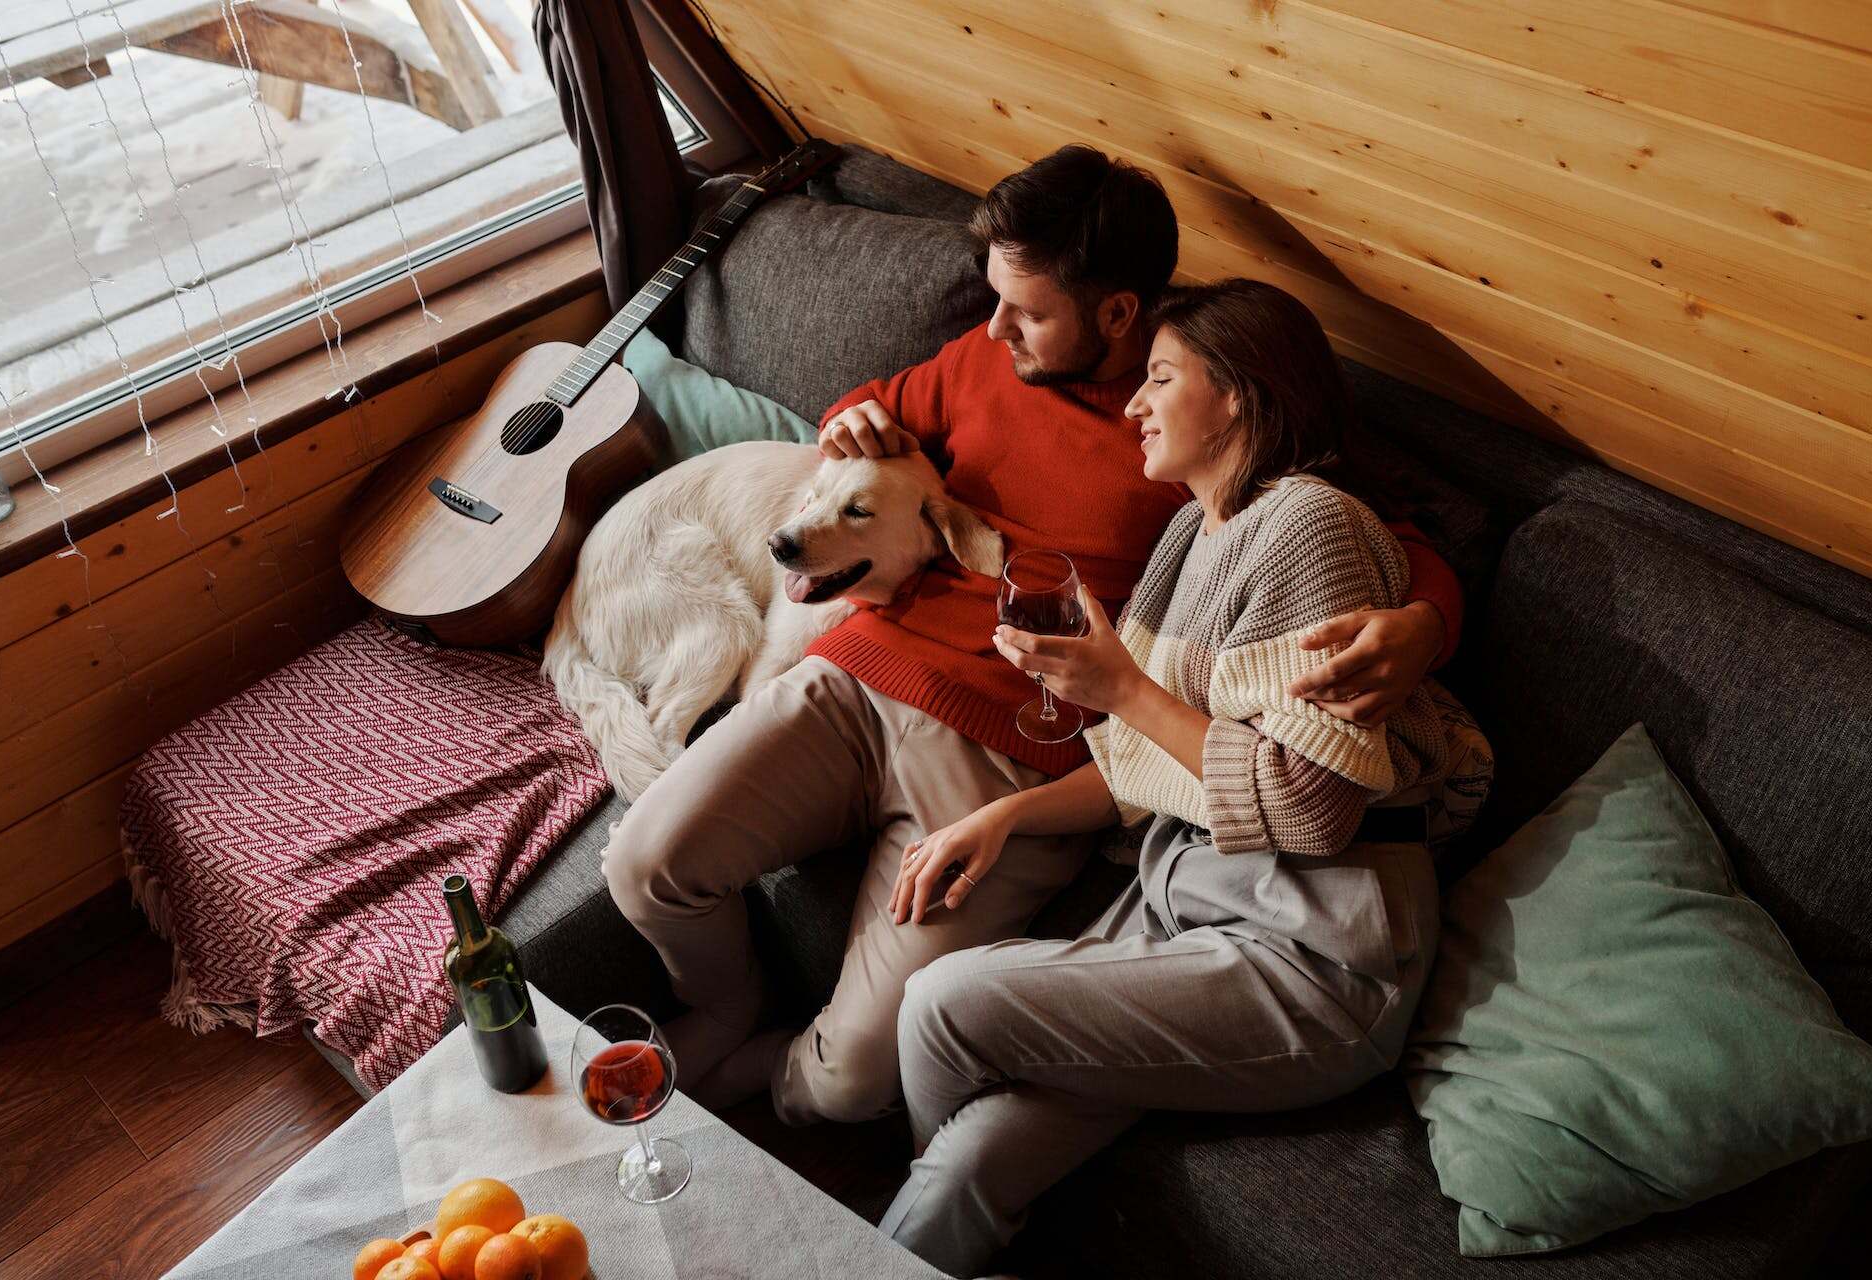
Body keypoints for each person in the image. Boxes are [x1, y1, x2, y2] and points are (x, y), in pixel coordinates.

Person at [598, 147, 1465, 1128]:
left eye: (1028, 310)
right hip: (858, 678)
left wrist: (1423, 624)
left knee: (848, 1088)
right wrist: (854, 418)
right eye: (994, 300)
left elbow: (1390, 532)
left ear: (1119, 314)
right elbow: (875, 410)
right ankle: (728, 1000)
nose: (996, 326)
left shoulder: (1200, 412)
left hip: (1016, 760)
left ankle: (775, 1073)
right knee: (642, 864)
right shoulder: (985, 352)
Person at [876, 278, 1492, 1277]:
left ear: (1241, 392)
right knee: (963, 1167)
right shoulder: (1184, 537)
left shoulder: (1313, 529)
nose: (1132, 403)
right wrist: (1005, 816)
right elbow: (1148, 766)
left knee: (945, 1000)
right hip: (1187, 904)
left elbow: (1311, 807)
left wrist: (1122, 686)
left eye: (1161, 377)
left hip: (1316, 952)